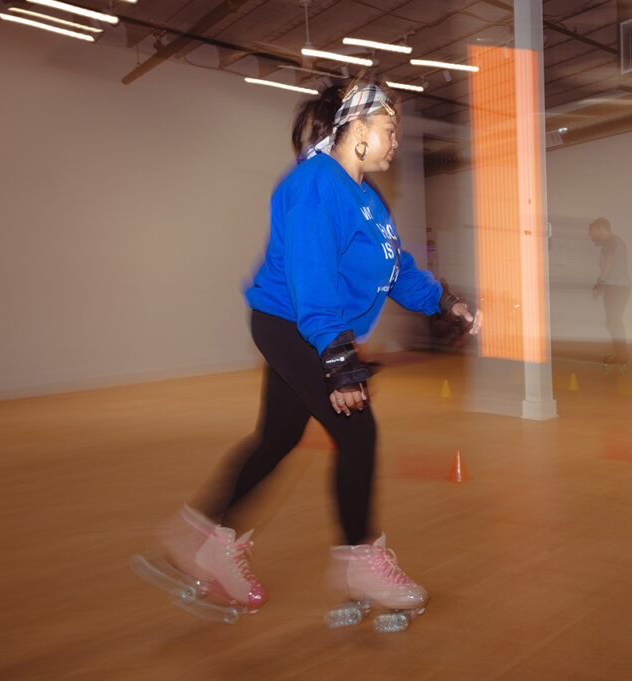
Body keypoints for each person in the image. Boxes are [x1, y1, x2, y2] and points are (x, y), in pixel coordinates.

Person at [150, 81, 481, 618]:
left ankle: (204, 539)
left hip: (307, 327)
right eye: (390, 130)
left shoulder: (368, 201)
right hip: (293, 324)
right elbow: (312, 279)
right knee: (358, 432)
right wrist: (338, 358)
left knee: (277, 437)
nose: (396, 142)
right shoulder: (314, 184)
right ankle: (359, 563)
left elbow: (396, 272)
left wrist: (444, 301)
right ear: (357, 128)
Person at [588, 217, 631, 369]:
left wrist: (600, 282)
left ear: (601, 229)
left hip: (616, 287)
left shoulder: (610, 241)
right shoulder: (615, 241)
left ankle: (622, 356)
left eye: (593, 232)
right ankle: (620, 353)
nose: (591, 236)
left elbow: (609, 262)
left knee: (614, 321)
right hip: (618, 286)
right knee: (613, 321)